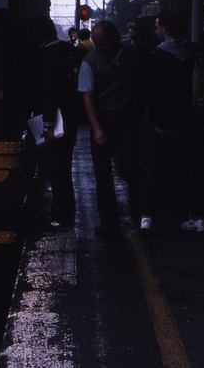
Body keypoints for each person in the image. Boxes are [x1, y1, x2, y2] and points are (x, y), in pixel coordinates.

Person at [140, 10, 204, 234]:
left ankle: (148, 217)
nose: (156, 30)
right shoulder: (195, 51)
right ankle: (198, 218)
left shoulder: (157, 57)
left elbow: (149, 93)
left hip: (164, 126)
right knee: (194, 171)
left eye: (158, 26)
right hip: (191, 123)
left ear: (166, 28)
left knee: (156, 171)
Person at [78, 20, 144, 236]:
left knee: (130, 168)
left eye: (103, 44)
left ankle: (139, 214)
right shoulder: (90, 63)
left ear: (115, 39)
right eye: (96, 44)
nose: (99, 48)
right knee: (102, 174)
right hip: (103, 120)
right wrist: (97, 128)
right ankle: (109, 223)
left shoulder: (132, 54)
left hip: (127, 120)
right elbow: (87, 96)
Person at [29, 17, 81, 230]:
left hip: (54, 120)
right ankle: (64, 213)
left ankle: (61, 215)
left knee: (55, 169)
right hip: (71, 116)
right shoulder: (70, 50)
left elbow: (48, 93)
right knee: (64, 167)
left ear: (36, 36)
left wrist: (48, 126)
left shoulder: (46, 56)